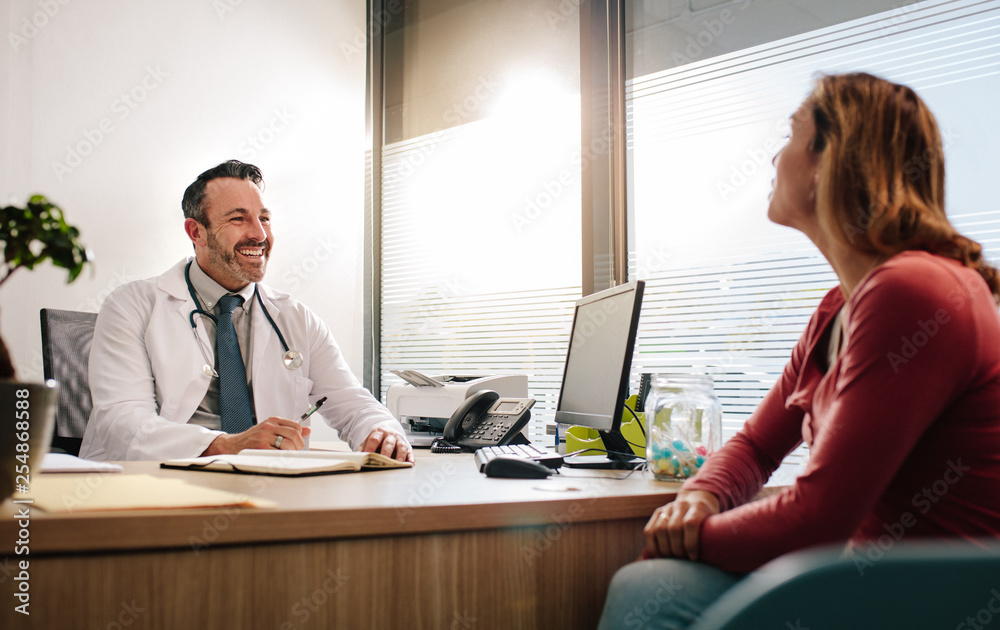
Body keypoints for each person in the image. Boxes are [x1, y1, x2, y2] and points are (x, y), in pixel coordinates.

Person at [598, 72, 1000, 629]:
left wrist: (687, 541)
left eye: (791, 135)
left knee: (654, 588)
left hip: (933, 598)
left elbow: (820, 519)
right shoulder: (839, 307)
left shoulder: (913, 292)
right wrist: (702, 496)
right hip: (868, 580)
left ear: (827, 162)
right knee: (654, 585)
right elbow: (760, 445)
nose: (772, 161)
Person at [80, 160, 413, 462]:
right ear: (197, 232)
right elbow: (122, 424)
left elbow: (353, 403)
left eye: (264, 218)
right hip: (160, 485)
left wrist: (383, 432)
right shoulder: (132, 306)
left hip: (267, 488)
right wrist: (227, 445)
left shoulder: (296, 318)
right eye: (238, 219)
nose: (259, 234)